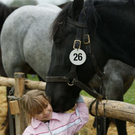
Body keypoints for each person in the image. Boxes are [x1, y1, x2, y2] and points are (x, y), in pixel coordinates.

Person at [21, 89, 89, 135]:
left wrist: (76, 94)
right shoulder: (30, 132)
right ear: (31, 115)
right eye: (39, 112)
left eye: (46, 106)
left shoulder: (64, 120)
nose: (45, 112)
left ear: (48, 100)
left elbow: (82, 118)